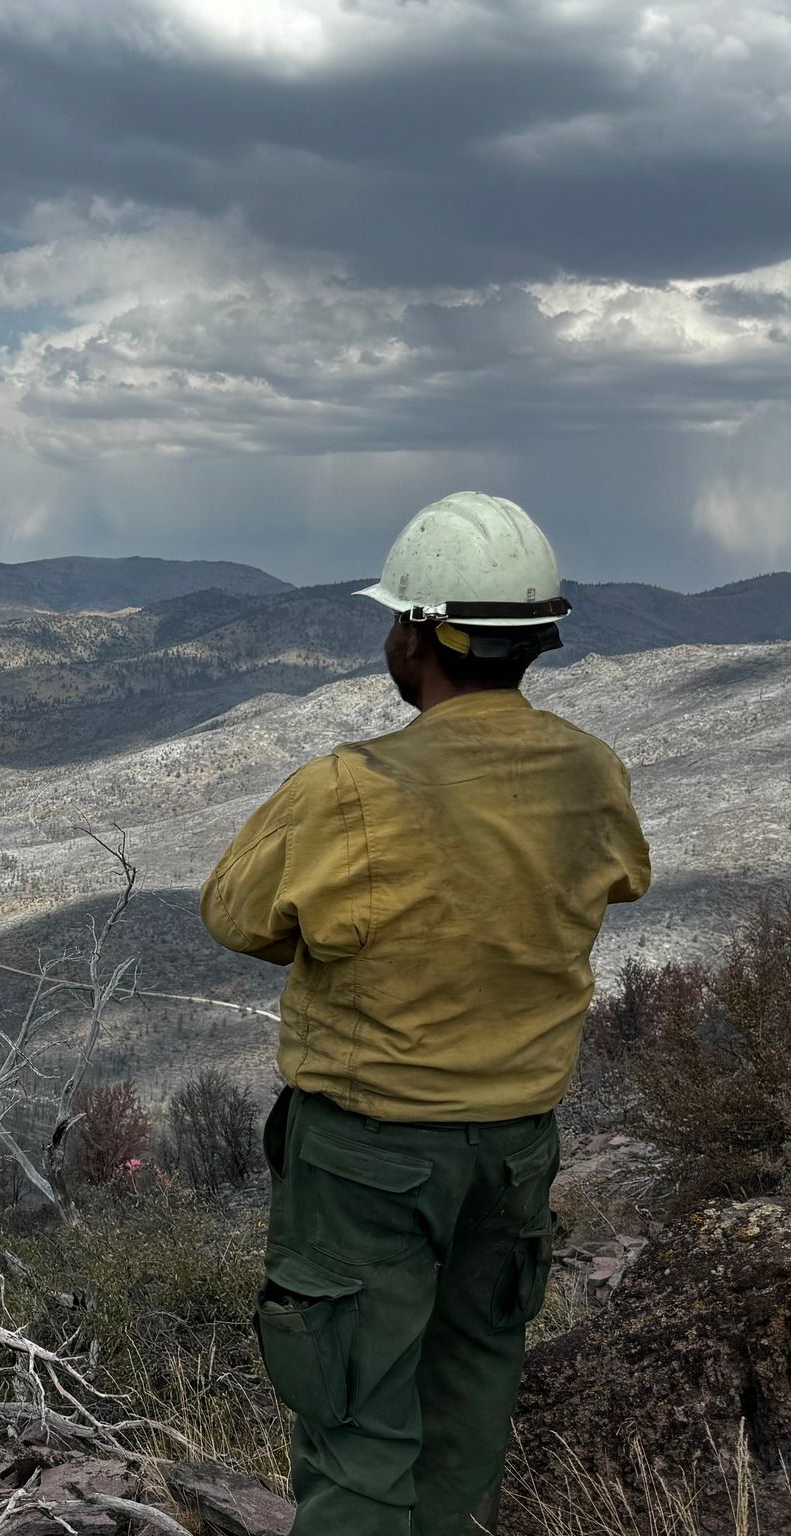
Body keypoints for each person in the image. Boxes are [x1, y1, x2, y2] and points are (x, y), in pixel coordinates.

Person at [200, 492, 652, 1534]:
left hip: (365, 1155)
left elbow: (236, 914)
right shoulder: (590, 772)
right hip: (513, 1152)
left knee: (355, 1426)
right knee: (466, 1411)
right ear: (532, 640)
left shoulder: (350, 786)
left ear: (415, 636)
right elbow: (618, 877)